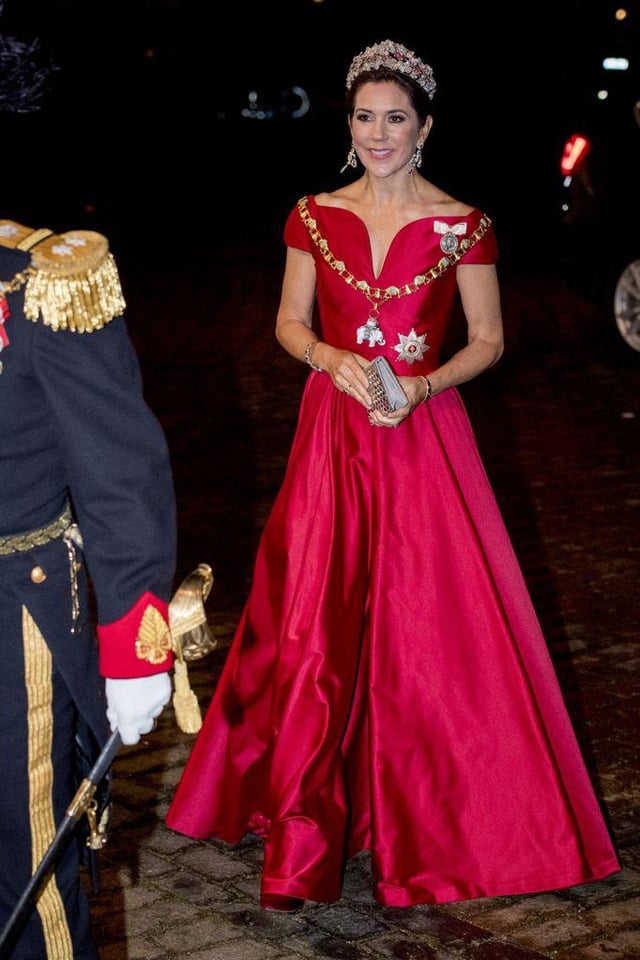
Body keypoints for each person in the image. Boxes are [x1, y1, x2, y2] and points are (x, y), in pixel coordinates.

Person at [166, 38, 620, 911]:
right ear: (350, 124)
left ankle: (448, 818)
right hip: (333, 434)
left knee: (431, 621)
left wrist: (423, 383)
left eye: (396, 119)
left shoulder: (465, 225)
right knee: (315, 621)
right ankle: (302, 826)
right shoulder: (311, 214)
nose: (379, 133)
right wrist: (330, 359)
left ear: (425, 128)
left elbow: (487, 340)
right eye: (365, 117)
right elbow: (287, 326)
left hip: (423, 436)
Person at [0, 22, 177, 959]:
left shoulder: (45, 278)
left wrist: (136, 646)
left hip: (12, 622)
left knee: (23, 871)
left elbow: (121, 476)